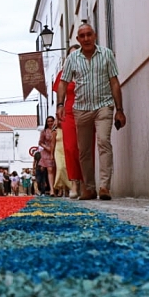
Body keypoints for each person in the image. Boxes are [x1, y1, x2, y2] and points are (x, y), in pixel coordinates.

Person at [56, 21, 125, 201]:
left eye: (89, 34)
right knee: (84, 151)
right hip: (81, 109)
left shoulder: (107, 54)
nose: (86, 38)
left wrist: (119, 109)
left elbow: (114, 82)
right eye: (82, 36)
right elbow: (63, 82)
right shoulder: (72, 59)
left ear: (94, 36)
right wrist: (60, 105)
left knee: (103, 142)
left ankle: (104, 187)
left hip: (104, 106)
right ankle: (89, 188)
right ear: (78, 39)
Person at [53, 45, 83, 196]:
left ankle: (87, 183)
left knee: (84, 148)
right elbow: (59, 95)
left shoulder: (87, 72)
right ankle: (74, 183)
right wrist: (58, 111)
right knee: (70, 148)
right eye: (71, 55)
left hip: (86, 110)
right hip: (69, 112)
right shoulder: (63, 74)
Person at [37, 116, 57, 195]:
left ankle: (58, 189)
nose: (50, 123)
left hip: (57, 151)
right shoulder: (44, 131)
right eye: (48, 121)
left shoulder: (57, 130)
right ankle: (52, 189)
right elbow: (40, 142)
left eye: (51, 121)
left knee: (57, 170)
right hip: (47, 153)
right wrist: (47, 148)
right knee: (50, 170)